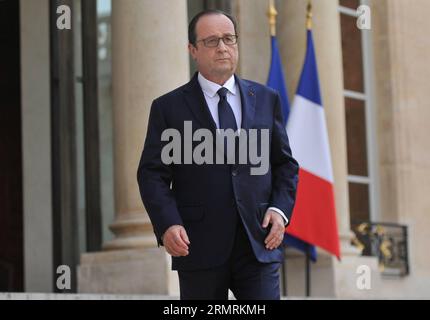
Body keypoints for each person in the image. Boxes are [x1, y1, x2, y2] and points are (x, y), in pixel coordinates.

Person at [137, 9, 299, 300]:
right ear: (192, 50)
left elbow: (284, 164)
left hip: (258, 243)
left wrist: (279, 210)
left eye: (228, 39)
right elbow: (152, 174)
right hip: (198, 247)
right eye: (211, 41)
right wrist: (168, 223)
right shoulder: (168, 108)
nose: (222, 47)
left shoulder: (265, 99)